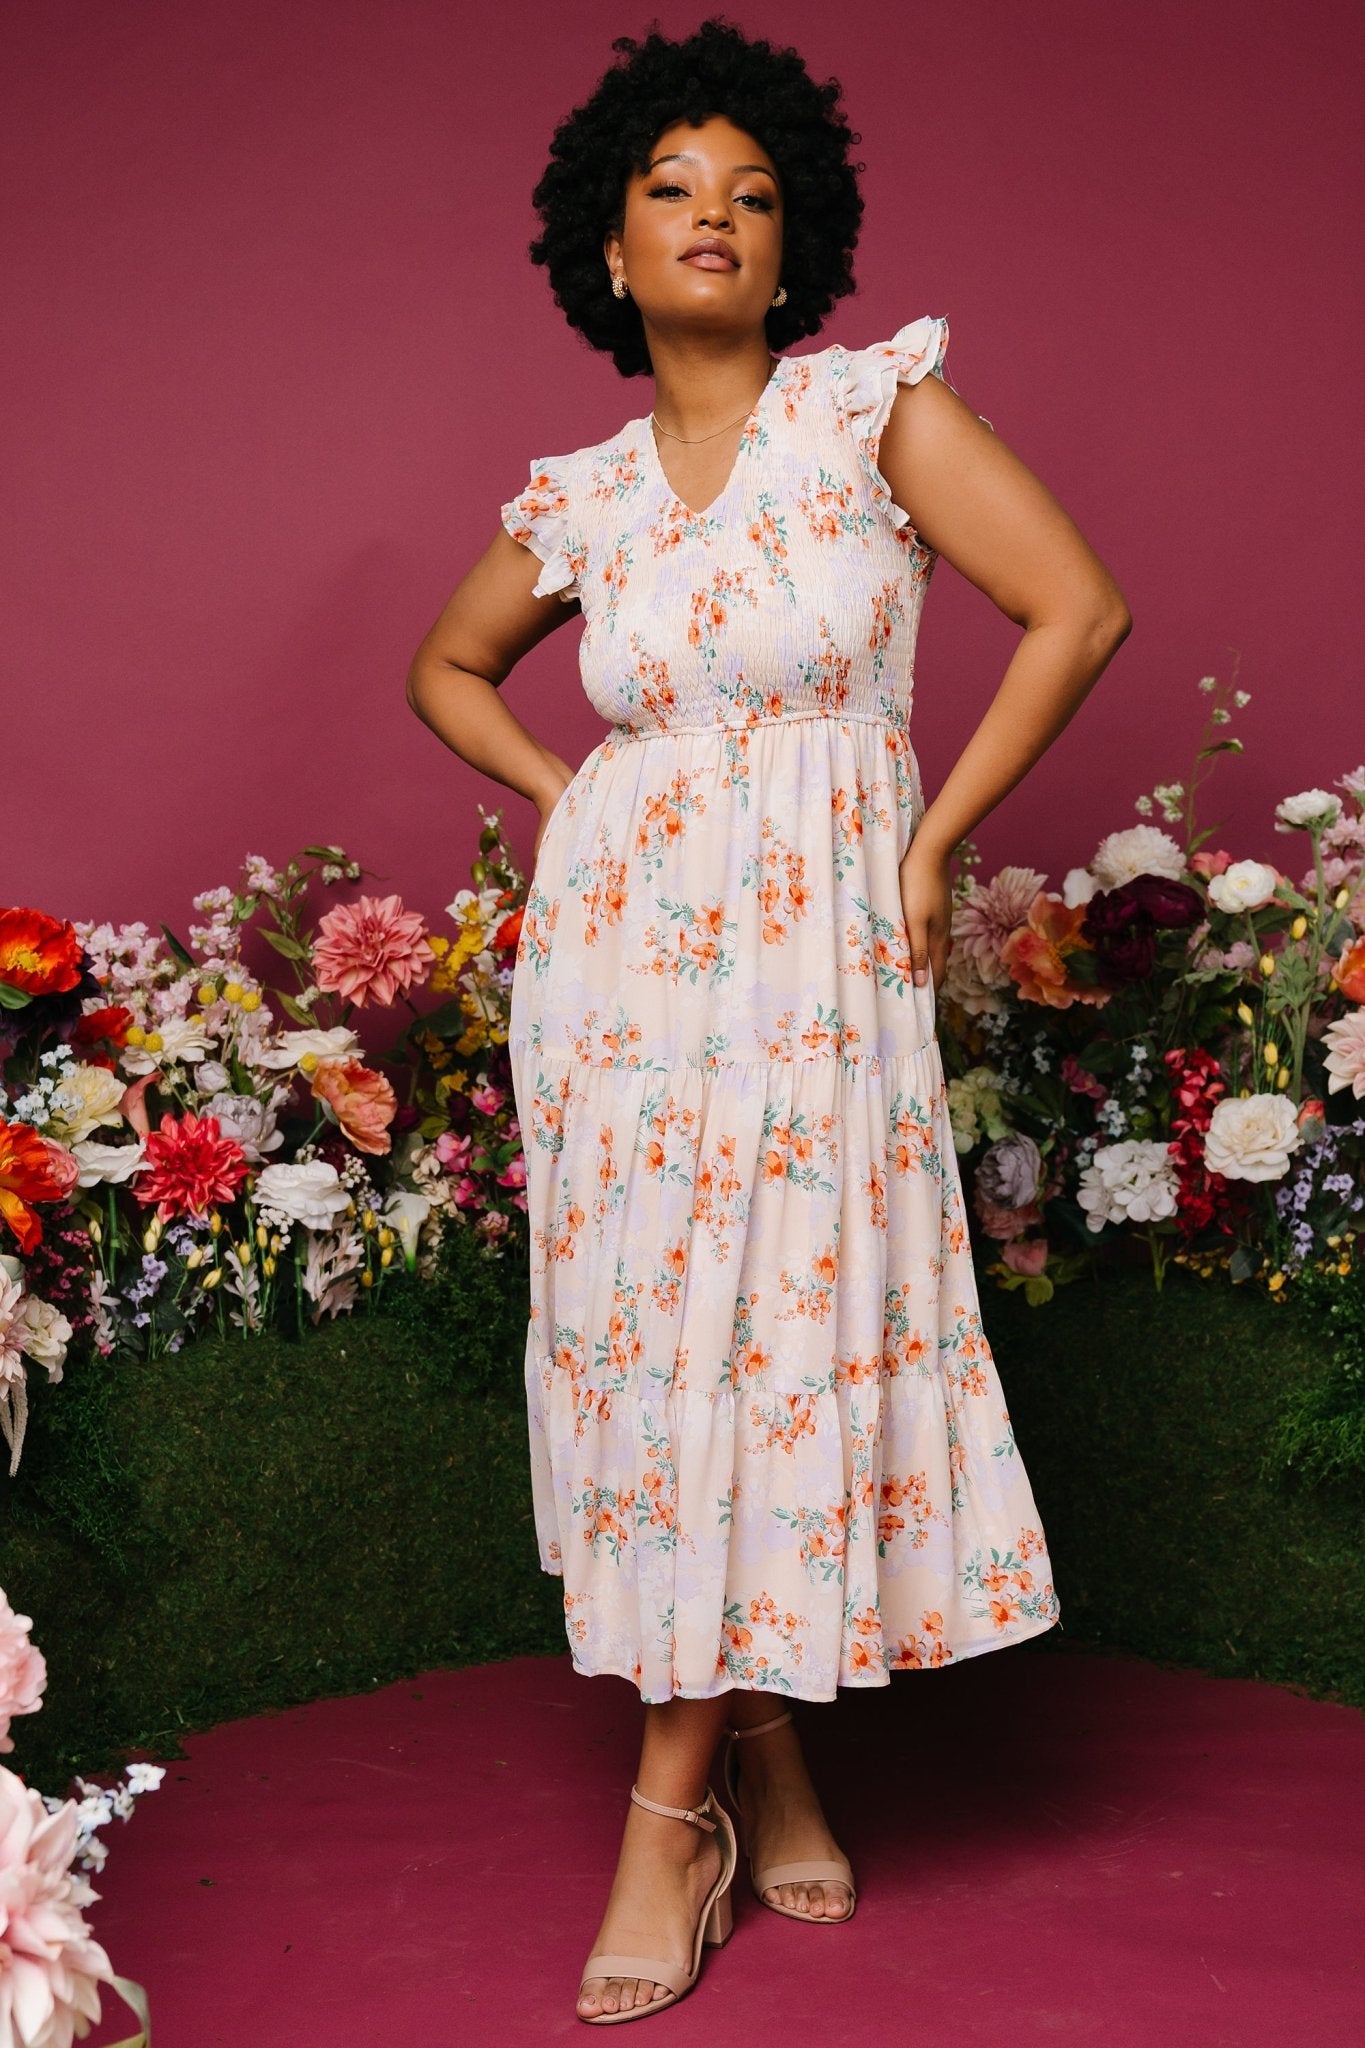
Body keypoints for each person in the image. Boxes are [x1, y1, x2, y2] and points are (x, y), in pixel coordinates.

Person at [407, 18, 1131, 2027]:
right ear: (610, 255)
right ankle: (758, 1753)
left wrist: (933, 842)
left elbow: (1075, 606)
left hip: (816, 935)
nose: (712, 217)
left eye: (747, 190)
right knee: (657, 1342)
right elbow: (450, 670)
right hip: (625, 963)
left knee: (779, 1321)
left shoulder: (864, 414)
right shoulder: (583, 493)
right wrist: (572, 801)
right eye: (669, 193)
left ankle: (677, 1804)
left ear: (788, 236)